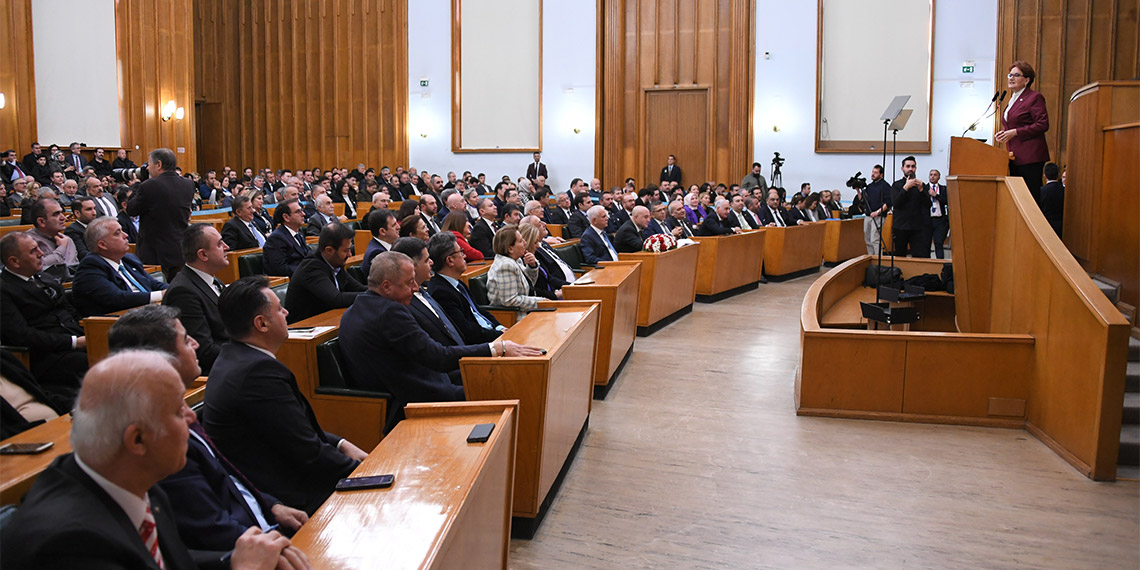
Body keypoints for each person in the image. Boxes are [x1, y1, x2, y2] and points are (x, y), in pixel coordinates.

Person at [0, 350, 305, 570]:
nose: (191, 417)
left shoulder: (136, 483)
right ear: (137, 440)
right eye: (177, 410)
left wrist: (240, 557)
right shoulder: (68, 546)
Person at [106, 306, 312, 560]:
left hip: (266, 526)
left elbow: (226, 476)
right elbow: (209, 528)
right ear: (158, 359)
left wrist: (271, 505)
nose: (195, 343)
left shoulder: (174, 408)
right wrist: (274, 547)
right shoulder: (156, 435)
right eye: (184, 339)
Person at [206, 276, 366, 514]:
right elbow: (307, 453)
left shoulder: (236, 357)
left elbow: (293, 431)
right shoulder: (256, 374)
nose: (287, 312)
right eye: (279, 309)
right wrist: (365, 471)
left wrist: (340, 443)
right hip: (293, 498)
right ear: (262, 324)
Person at [339, 252, 542, 432]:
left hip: (414, 386)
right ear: (386, 286)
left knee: (498, 376)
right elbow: (438, 357)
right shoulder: (391, 312)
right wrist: (497, 349)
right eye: (409, 282)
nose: (416, 288)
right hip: (417, 399)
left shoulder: (356, 309)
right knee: (513, 387)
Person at [0, 233, 88, 402]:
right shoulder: (4, 290)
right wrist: (74, 342)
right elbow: (22, 335)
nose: (42, 253)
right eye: (34, 251)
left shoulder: (47, 279)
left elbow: (72, 313)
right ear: (14, 262)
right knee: (106, 363)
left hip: (76, 340)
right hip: (47, 357)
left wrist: (92, 333)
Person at [162, 224, 231, 373]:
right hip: (218, 373)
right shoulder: (183, 292)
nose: (227, 247)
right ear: (203, 255)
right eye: (220, 244)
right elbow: (203, 351)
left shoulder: (212, 280)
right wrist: (249, 351)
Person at [73, 217, 167, 316]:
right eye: (117, 233)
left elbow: (154, 284)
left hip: (148, 314)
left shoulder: (129, 259)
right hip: (115, 324)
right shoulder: (90, 268)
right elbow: (117, 298)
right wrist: (161, 295)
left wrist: (176, 290)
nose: (125, 235)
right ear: (103, 245)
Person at [126, 148, 197, 280]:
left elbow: (131, 209)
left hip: (154, 254)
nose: (147, 169)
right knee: (178, 291)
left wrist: (136, 184)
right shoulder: (188, 184)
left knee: (160, 292)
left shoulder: (148, 186)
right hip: (179, 249)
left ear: (158, 165)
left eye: (149, 164)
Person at [391, 237, 468, 357]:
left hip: (462, 355)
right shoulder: (405, 304)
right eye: (427, 260)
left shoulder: (423, 291)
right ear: (411, 266)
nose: (432, 262)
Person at [426, 232, 507, 344]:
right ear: (450, 260)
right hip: (481, 346)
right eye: (461, 252)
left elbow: (478, 310)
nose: (464, 256)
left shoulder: (458, 283)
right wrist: (500, 334)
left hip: (491, 334)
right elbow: (468, 332)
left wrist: (499, 327)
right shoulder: (441, 292)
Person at [284, 224, 366, 323]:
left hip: (325, 322)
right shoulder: (311, 268)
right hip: (303, 328)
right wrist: (372, 296)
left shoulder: (335, 263)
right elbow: (336, 299)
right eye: (346, 250)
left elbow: (359, 288)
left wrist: (379, 292)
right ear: (329, 250)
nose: (350, 254)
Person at [996, 60, 1050, 203]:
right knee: (1018, 199)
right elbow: (1014, 123)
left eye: (1016, 75)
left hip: (1030, 157)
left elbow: (1043, 124)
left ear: (1026, 80)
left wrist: (1015, 132)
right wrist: (1004, 132)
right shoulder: (1012, 99)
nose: (1011, 78)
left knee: (1029, 199)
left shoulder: (1034, 97)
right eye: (1010, 75)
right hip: (1014, 157)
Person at [487, 225, 546, 312]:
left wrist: (532, 266)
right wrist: (541, 301)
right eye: (521, 241)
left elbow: (530, 283)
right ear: (510, 248)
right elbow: (510, 301)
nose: (525, 243)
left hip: (524, 311)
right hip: (513, 317)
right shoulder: (505, 266)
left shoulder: (516, 260)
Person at [24, 197, 79, 280]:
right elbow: (40, 267)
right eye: (56, 214)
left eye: (62, 212)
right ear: (41, 222)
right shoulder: (28, 242)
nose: (63, 218)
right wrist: (61, 248)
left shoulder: (66, 239)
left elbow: (74, 268)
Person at [890, 156, 932, 258]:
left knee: (919, 256)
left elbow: (928, 205)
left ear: (915, 168)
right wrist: (906, 188)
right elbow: (895, 203)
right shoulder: (896, 185)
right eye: (907, 166)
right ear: (902, 168)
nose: (910, 169)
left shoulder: (921, 185)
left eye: (913, 166)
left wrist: (922, 190)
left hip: (917, 227)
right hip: (900, 226)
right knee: (900, 255)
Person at [262, 198, 310, 277]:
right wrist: (307, 271)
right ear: (286, 217)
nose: (303, 214)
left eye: (302, 210)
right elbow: (279, 269)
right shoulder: (277, 238)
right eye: (298, 212)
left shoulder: (299, 233)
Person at [361, 208, 400, 277]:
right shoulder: (376, 253)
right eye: (394, 225)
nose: (398, 227)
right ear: (382, 231)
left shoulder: (391, 245)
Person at [863, 164, 892, 255]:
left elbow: (888, 202)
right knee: (867, 238)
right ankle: (870, 257)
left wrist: (878, 212)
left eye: (875, 172)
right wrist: (858, 190)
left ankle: (878, 259)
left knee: (875, 239)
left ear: (881, 174)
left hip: (879, 216)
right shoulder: (870, 186)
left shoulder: (885, 186)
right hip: (868, 215)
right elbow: (862, 199)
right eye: (872, 172)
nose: (873, 174)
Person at [65, 195, 98, 260]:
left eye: (94, 208)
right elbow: (82, 254)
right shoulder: (72, 230)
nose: (94, 213)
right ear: (77, 213)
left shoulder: (98, 226)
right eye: (89, 209)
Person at [926, 169, 949, 259]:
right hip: (928, 220)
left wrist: (936, 195)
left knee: (938, 243)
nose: (932, 176)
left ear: (939, 177)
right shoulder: (924, 188)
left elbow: (947, 201)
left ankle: (940, 263)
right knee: (926, 243)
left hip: (940, 220)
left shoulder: (943, 189)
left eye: (935, 175)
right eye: (931, 174)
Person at [1039, 162, 1064, 238]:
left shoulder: (1042, 191)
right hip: (1061, 226)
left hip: (1046, 225)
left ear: (1044, 176)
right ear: (1058, 175)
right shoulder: (1064, 190)